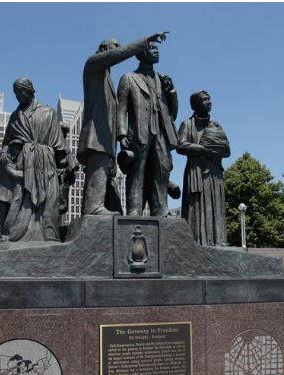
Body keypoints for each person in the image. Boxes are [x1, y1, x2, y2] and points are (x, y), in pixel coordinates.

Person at [78, 32, 169, 215]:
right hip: (96, 134)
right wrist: (145, 41)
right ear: (104, 50)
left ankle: (97, 206)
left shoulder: (105, 77)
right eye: (115, 47)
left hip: (105, 137)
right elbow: (119, 55)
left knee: (103, 171)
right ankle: (94, 207)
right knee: (99, 168)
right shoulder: (93, 65)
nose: (118, 50)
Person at [0, 77, 69, 242]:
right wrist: (4, 152)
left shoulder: (48, 112)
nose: (18, 96)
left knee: (48, 204)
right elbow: (6, 142)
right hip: (20, 162)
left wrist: (64, 164)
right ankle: (0, 230)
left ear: (30, 90)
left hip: (44, 164)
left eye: (21, 91)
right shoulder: (15, 116)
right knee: (6, 193)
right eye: (16, 93)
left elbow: (59, 144)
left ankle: (43, 235)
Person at [116, 41, 178, 217]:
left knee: (162, 170)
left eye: (156, 48)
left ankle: (160, 209)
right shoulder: (129, 78)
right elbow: (120, 109)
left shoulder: (163, 80)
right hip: (139, 132)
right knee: (137, 171)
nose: (156, 50)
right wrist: (121, 134)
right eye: (151, 48)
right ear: (140, 54)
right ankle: (134, 209)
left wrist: (172, 91)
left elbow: (173, 112)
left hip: (161, 132)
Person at [176, 90, 231, 246]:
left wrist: (214, 151)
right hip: (196, 172)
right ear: (195, 104)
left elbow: (227, 150)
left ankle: (218, 241)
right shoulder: (187, 124)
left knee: (215, 205)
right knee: (196, 206)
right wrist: (202, 149)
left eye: (209, 99)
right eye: (205, 99)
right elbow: (180, 145)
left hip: (214, 172)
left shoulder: (216, 125)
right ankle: (194, 242)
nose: (209, 102)